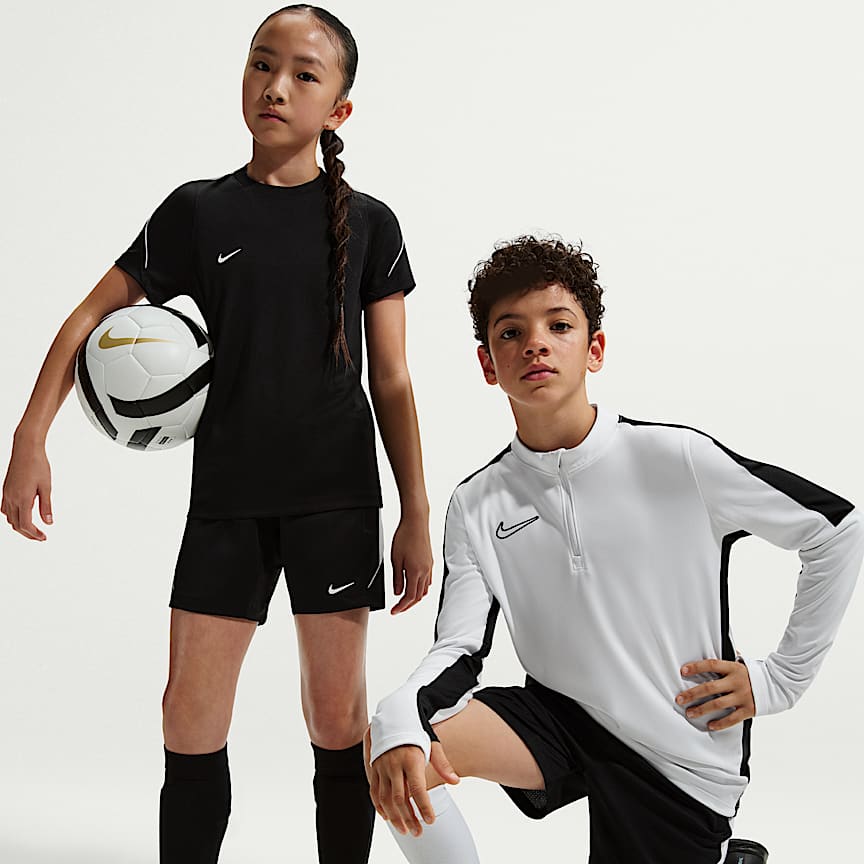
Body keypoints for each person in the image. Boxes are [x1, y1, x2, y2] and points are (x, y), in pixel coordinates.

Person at [1, 6, 433, 863]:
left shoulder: (372, 223)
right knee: (187, 718)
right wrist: (29, 438)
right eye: (261, 64)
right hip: (227, 498)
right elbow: (86, 318)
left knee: (336, 718)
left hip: (336, 499)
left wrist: (414, 512)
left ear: (339, 109)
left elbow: (391, 379)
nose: (276, 86)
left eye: (304, 74)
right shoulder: (197, 211)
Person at [365, 235, 863, 863]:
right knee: (394, 745)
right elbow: (458, 649)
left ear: (593, 349)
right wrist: (395, 715)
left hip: (676, 751)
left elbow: (835, 529)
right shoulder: (477, 503)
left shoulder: (674, 459)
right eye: (511, 332)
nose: (536, 344)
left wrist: (780, 681)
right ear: (489, 364)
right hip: (559, 719)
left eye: (559, 326)